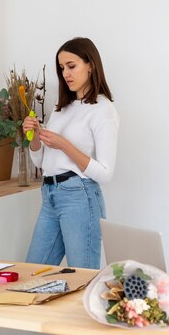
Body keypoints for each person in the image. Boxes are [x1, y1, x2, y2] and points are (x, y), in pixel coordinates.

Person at [22, 37, 119, 269]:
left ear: (91, 65)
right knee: (31, 273)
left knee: (81, 278)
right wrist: (34, 137)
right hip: (49, 194)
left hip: (80, 197)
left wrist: (64, 144)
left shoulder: (103, 109)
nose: (65, 73)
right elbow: (42, 160)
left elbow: (105, 174)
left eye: (71, 66)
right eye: (62, 68)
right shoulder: (61, 109)